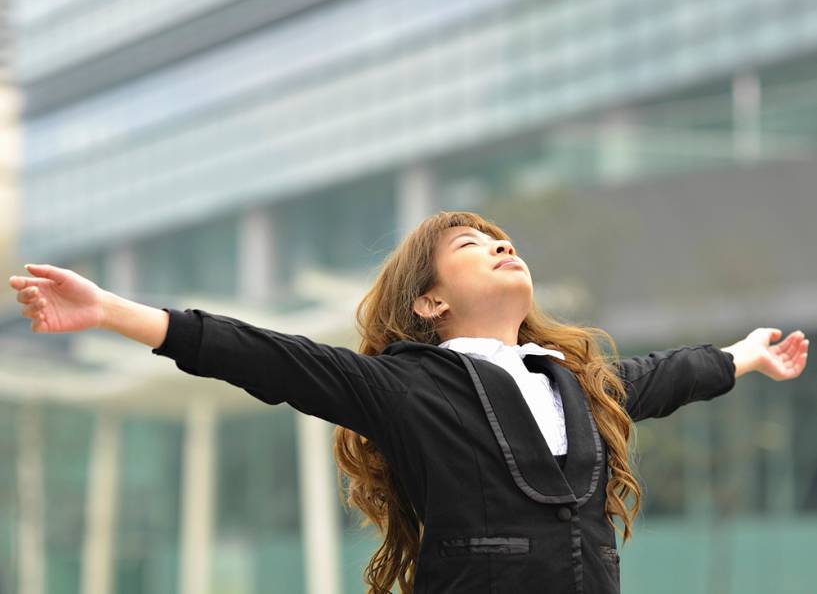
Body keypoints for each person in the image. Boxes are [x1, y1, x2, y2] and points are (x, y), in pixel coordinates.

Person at [7, 210, 809, 594]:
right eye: (471, 245)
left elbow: (662, 377)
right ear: (428, 303)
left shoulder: (577, 383)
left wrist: (746, 354)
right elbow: (267, 356)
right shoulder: (404, 386)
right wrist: (110, 310)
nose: (502, 244)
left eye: (505, 240)